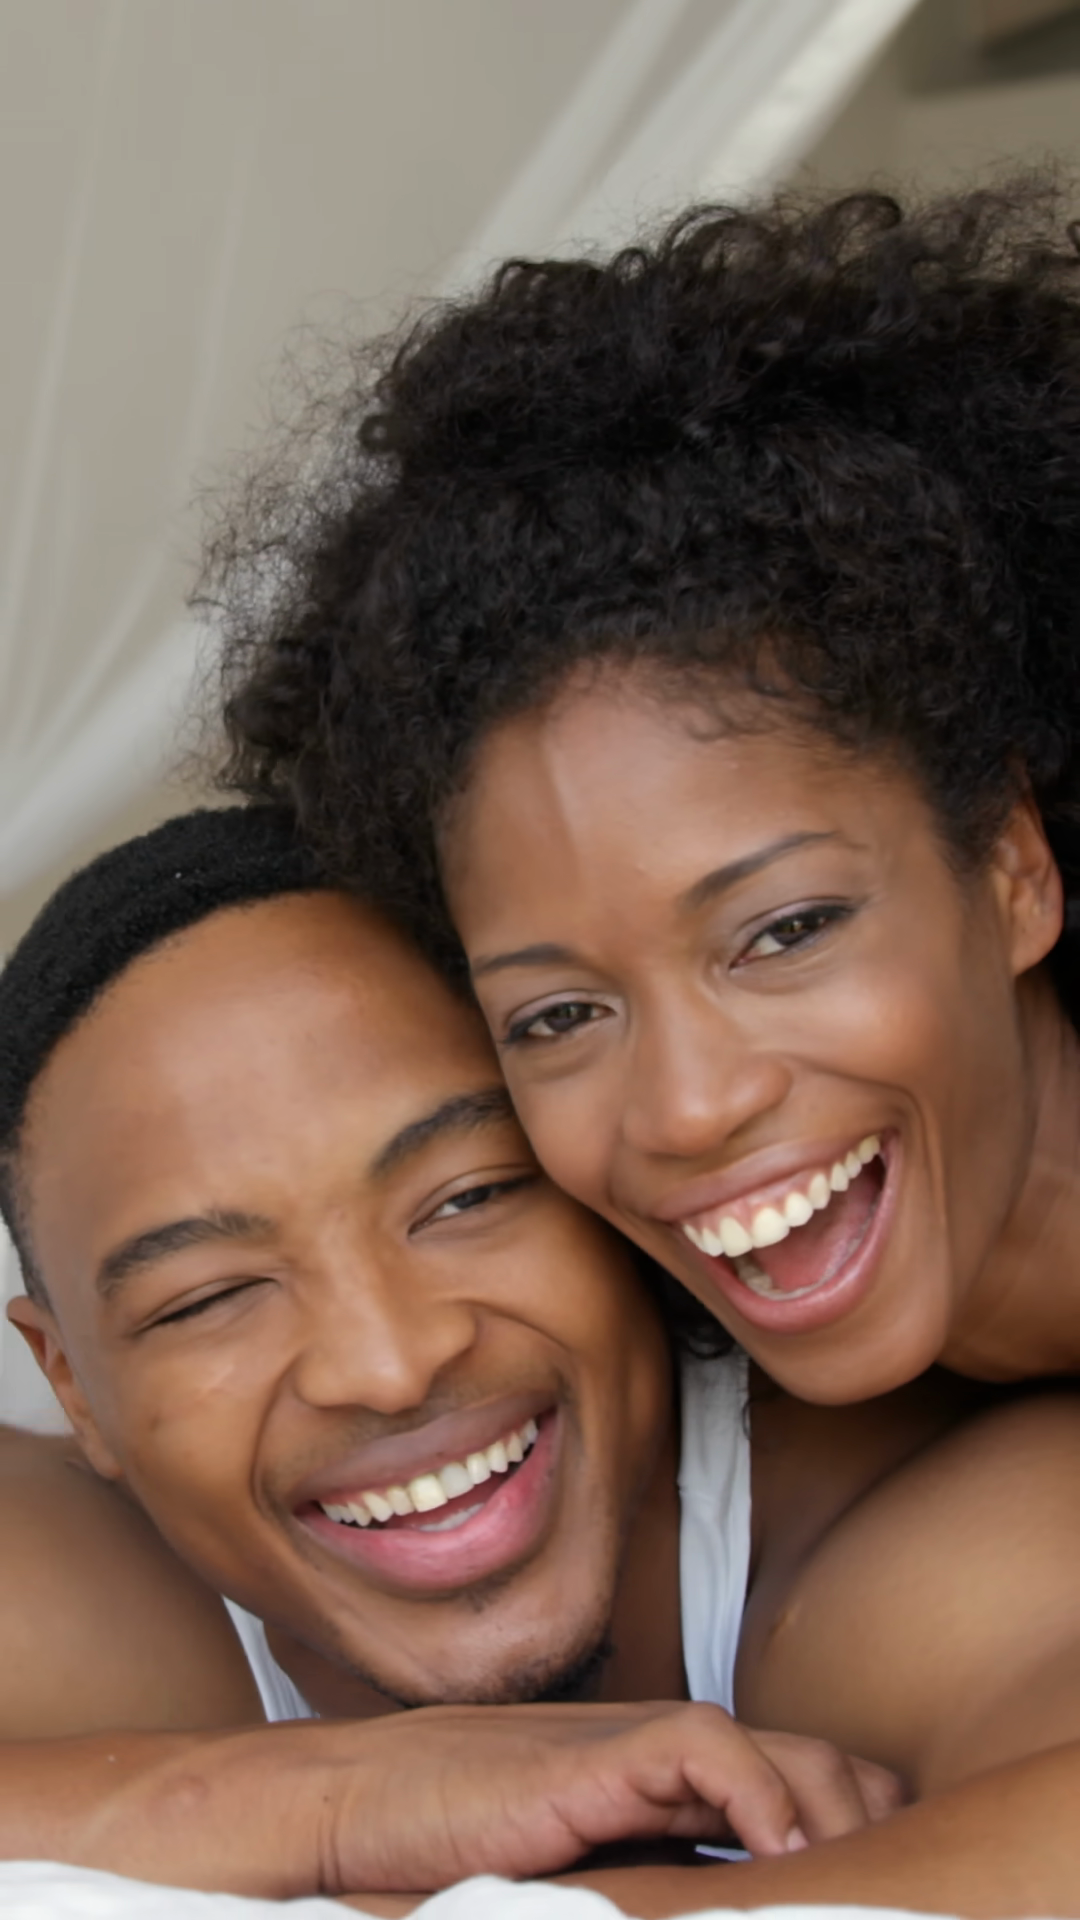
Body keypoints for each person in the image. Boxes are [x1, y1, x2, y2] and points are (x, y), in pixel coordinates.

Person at [5, 812, 1080, 1918]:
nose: (388, 1366)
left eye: (468, 1199)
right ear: (72, 1386)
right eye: (209, 1299)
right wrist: (315, 1805)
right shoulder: (76, 1588)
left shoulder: (931, 1533)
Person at [210, 173, 1080, 1414]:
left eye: (787, 931)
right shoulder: (700, 1404)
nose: (687, 1108)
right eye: (559, 1016)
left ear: (1011, 866)